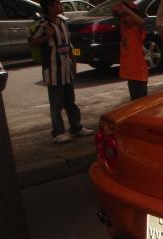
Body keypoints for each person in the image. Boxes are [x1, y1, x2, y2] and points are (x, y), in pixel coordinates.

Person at [28, 0, 93, 144]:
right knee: (56, 104)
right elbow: (31, 42)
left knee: (70, 101)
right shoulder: (43, 25)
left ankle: (76, 127)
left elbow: (69, 45)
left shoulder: (63, 23)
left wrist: (74, 61)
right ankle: (58, 132)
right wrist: (47, 37)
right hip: (52, 71)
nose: (60, 6)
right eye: (57, 4)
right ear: (50, 7)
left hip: (66, 69)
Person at [112, 0, 149, 101]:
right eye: (122, 16)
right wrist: (122, 7)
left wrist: (127, 10)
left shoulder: (136, 29)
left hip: (139, 74)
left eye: (127, 16)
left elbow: (141, 22)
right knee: (134, 102)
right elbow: (114, 10)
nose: (124, 18)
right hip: (131, 75)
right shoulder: (125, 29)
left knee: (141, 103)